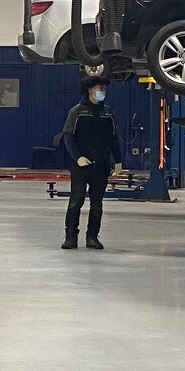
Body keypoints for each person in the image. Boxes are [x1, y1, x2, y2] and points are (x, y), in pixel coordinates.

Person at [58, 74, 122, 251]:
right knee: (76, 200)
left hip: (101, 166)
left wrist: (118, 161)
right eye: (100, 88)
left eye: (104, 89)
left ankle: (92, 237)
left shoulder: (108, 113)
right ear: (89, 90)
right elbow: (68, 136)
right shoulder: (77, 112)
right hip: (81, 166)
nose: (103, 92)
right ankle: (70, 236)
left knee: (97, 203)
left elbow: (113, 138)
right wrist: (77, 157)